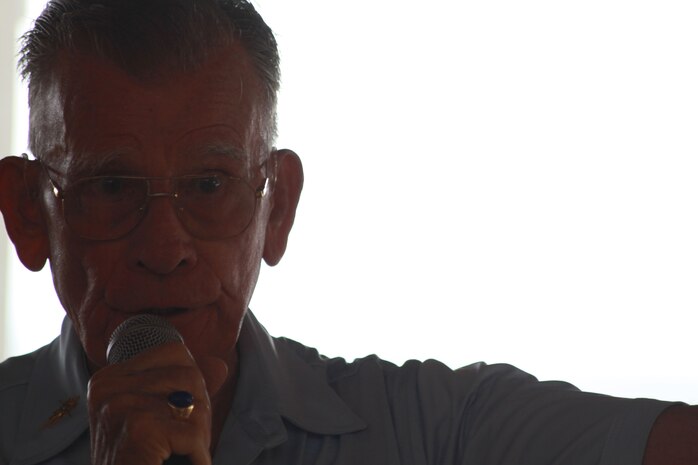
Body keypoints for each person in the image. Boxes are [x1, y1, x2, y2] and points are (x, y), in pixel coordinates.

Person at [0, 0, 696, 464]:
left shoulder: (429, 433)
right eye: (112, 188)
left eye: (209, 186)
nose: (165, 246)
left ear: (278, 209)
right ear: (29, 214)